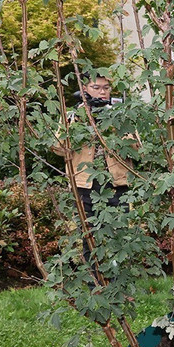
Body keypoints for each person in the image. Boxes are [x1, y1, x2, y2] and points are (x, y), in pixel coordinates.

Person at [52, 73, 135, 263]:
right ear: (84, 90)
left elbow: (136, 149)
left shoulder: (122, 114)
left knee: (119, 238)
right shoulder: (73, 115)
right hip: (84, 185)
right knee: (89, 239)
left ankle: (117, 287)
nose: (102, 91)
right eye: (96, 88)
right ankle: (95, 288)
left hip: (116, 183)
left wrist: (116, 122)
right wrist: (78, 120)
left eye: (106, 87)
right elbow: (59, 148)